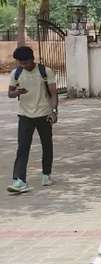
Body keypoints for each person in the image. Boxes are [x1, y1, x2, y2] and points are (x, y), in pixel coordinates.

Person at [7, 45, 58, 194]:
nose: (24, 65)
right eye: (20, 63)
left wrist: (54, 112)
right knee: (22, 148)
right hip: (24, 116)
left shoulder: (45, 72)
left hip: (44, 114)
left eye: (26, 62)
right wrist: (16, 92)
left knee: (47, 145)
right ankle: (19, 181)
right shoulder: (16, 73)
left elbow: (54, 94)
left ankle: (46, 174)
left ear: (32, 59)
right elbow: (10, 93)